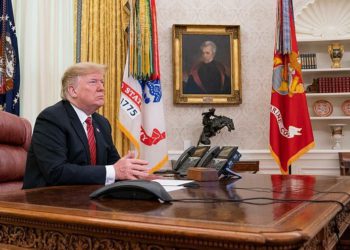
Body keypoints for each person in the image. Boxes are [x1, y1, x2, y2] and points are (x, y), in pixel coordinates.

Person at [23, 62, 150, 189]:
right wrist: (114, 171)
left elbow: (113, 164)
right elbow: (56, 172)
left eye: (102, 82)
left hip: (87, 197)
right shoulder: (51, 119)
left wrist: (132, 172)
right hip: (46, 201)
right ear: (73, 91)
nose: (101, 88)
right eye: (93, 82)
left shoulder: (102, 123)